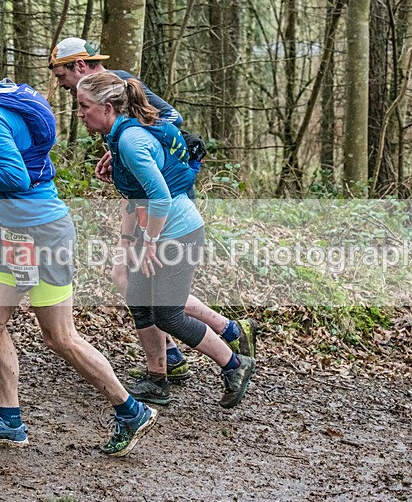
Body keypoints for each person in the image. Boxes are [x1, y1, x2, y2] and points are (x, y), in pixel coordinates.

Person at [0, 36, 156, 456]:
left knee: (60, 337)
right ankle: (9, 421)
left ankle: (130, 410)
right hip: (17, 233)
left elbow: (16, 176)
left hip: (43, 233)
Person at [48, 37, 256, 391]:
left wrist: (148, 242)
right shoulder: (118, 136)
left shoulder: (130, 137)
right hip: (156, 223)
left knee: (169, 313)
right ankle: (159, 375)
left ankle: (234, 360)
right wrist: (129, 236)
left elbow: (159, 195)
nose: (78, 113)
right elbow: (137, 194)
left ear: (108, 107)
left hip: (176, 227)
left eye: (83, 107)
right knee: (139, 297)